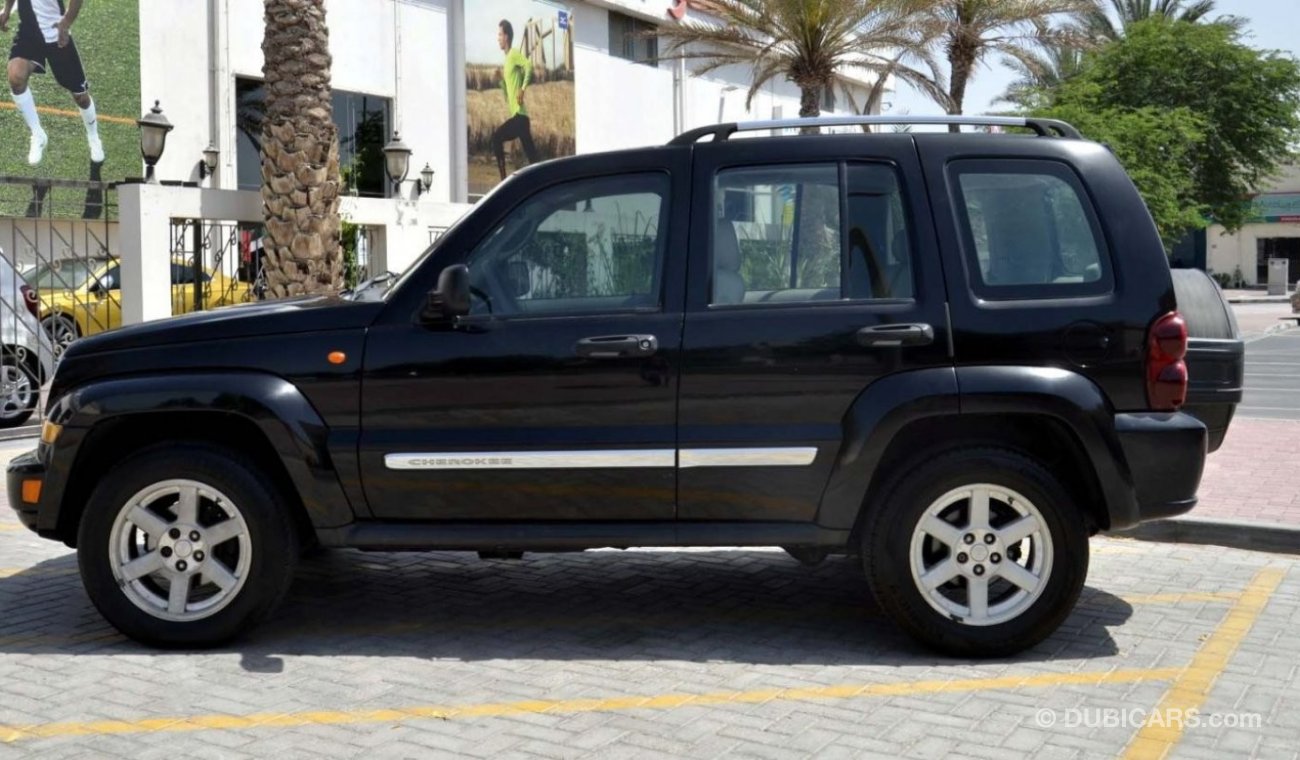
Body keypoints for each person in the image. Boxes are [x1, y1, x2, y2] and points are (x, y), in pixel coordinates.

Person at [1, 0, 103, 166]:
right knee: (15, 76)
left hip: (55, 32)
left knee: (81, 97)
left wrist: (67, 21)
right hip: (29, 31)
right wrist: (6, 10)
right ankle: (37, 134)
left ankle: (93, 136)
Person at [490, 19, 538, 180]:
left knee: (496, 138)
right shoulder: (507, 61)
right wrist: (501, 82)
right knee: (534, 160)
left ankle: (503, 180)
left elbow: (529, 66)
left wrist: (523, 89)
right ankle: (544, 180)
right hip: (520, 119)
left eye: (500, 34)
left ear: (507, 37)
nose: (498, 38)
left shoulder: (513, 54)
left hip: (520, 118)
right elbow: (508, 97)